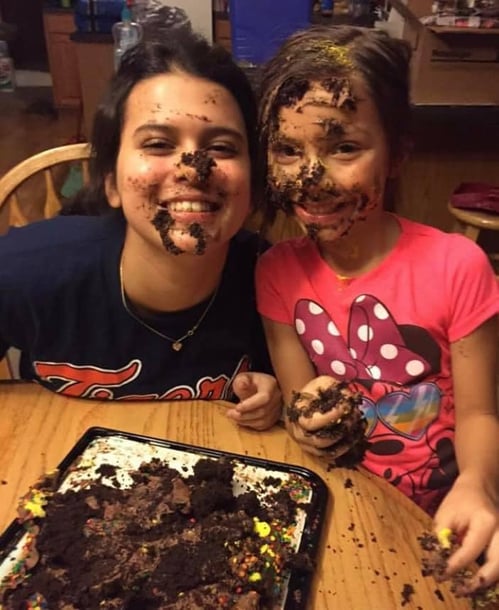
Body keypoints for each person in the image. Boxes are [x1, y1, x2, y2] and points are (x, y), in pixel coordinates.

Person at [255, 24, 499, 590]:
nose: (311, 178)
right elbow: (301, 400)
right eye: (288, 150)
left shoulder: (457, 265)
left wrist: (479, 484)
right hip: (340, 501)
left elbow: (482, 413)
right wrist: (303, 413)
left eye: (344, 147)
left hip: (442, 508)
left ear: (396, 155)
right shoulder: (275, 272)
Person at [0, 30, 281, 431]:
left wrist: (277, 397)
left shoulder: (274, 284)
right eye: (157, 144)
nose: (191, 168)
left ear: (252, 186)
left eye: (221, 148)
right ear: (112, 182)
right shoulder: (25, 271)